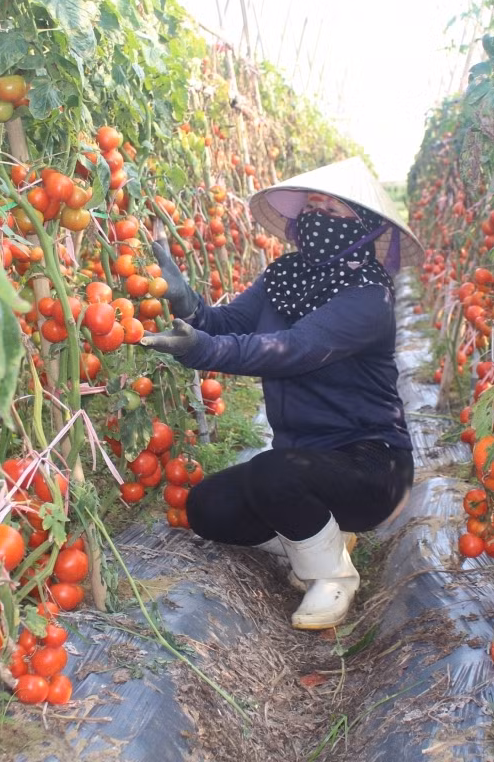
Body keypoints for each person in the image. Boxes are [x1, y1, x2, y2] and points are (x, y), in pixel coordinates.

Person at [140, 157, 423, 631]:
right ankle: (322, 535)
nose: (318, 217)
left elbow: (293, 348)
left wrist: (204, 350)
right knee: (207, 508)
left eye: (333, 212)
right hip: (303, 460)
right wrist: (186, 302)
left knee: (274, 473)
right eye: (313, 207)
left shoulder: (367, 297)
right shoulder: (284, 277)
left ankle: (332, 574)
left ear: (365, 228)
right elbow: (227, 323)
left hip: (372, 465)